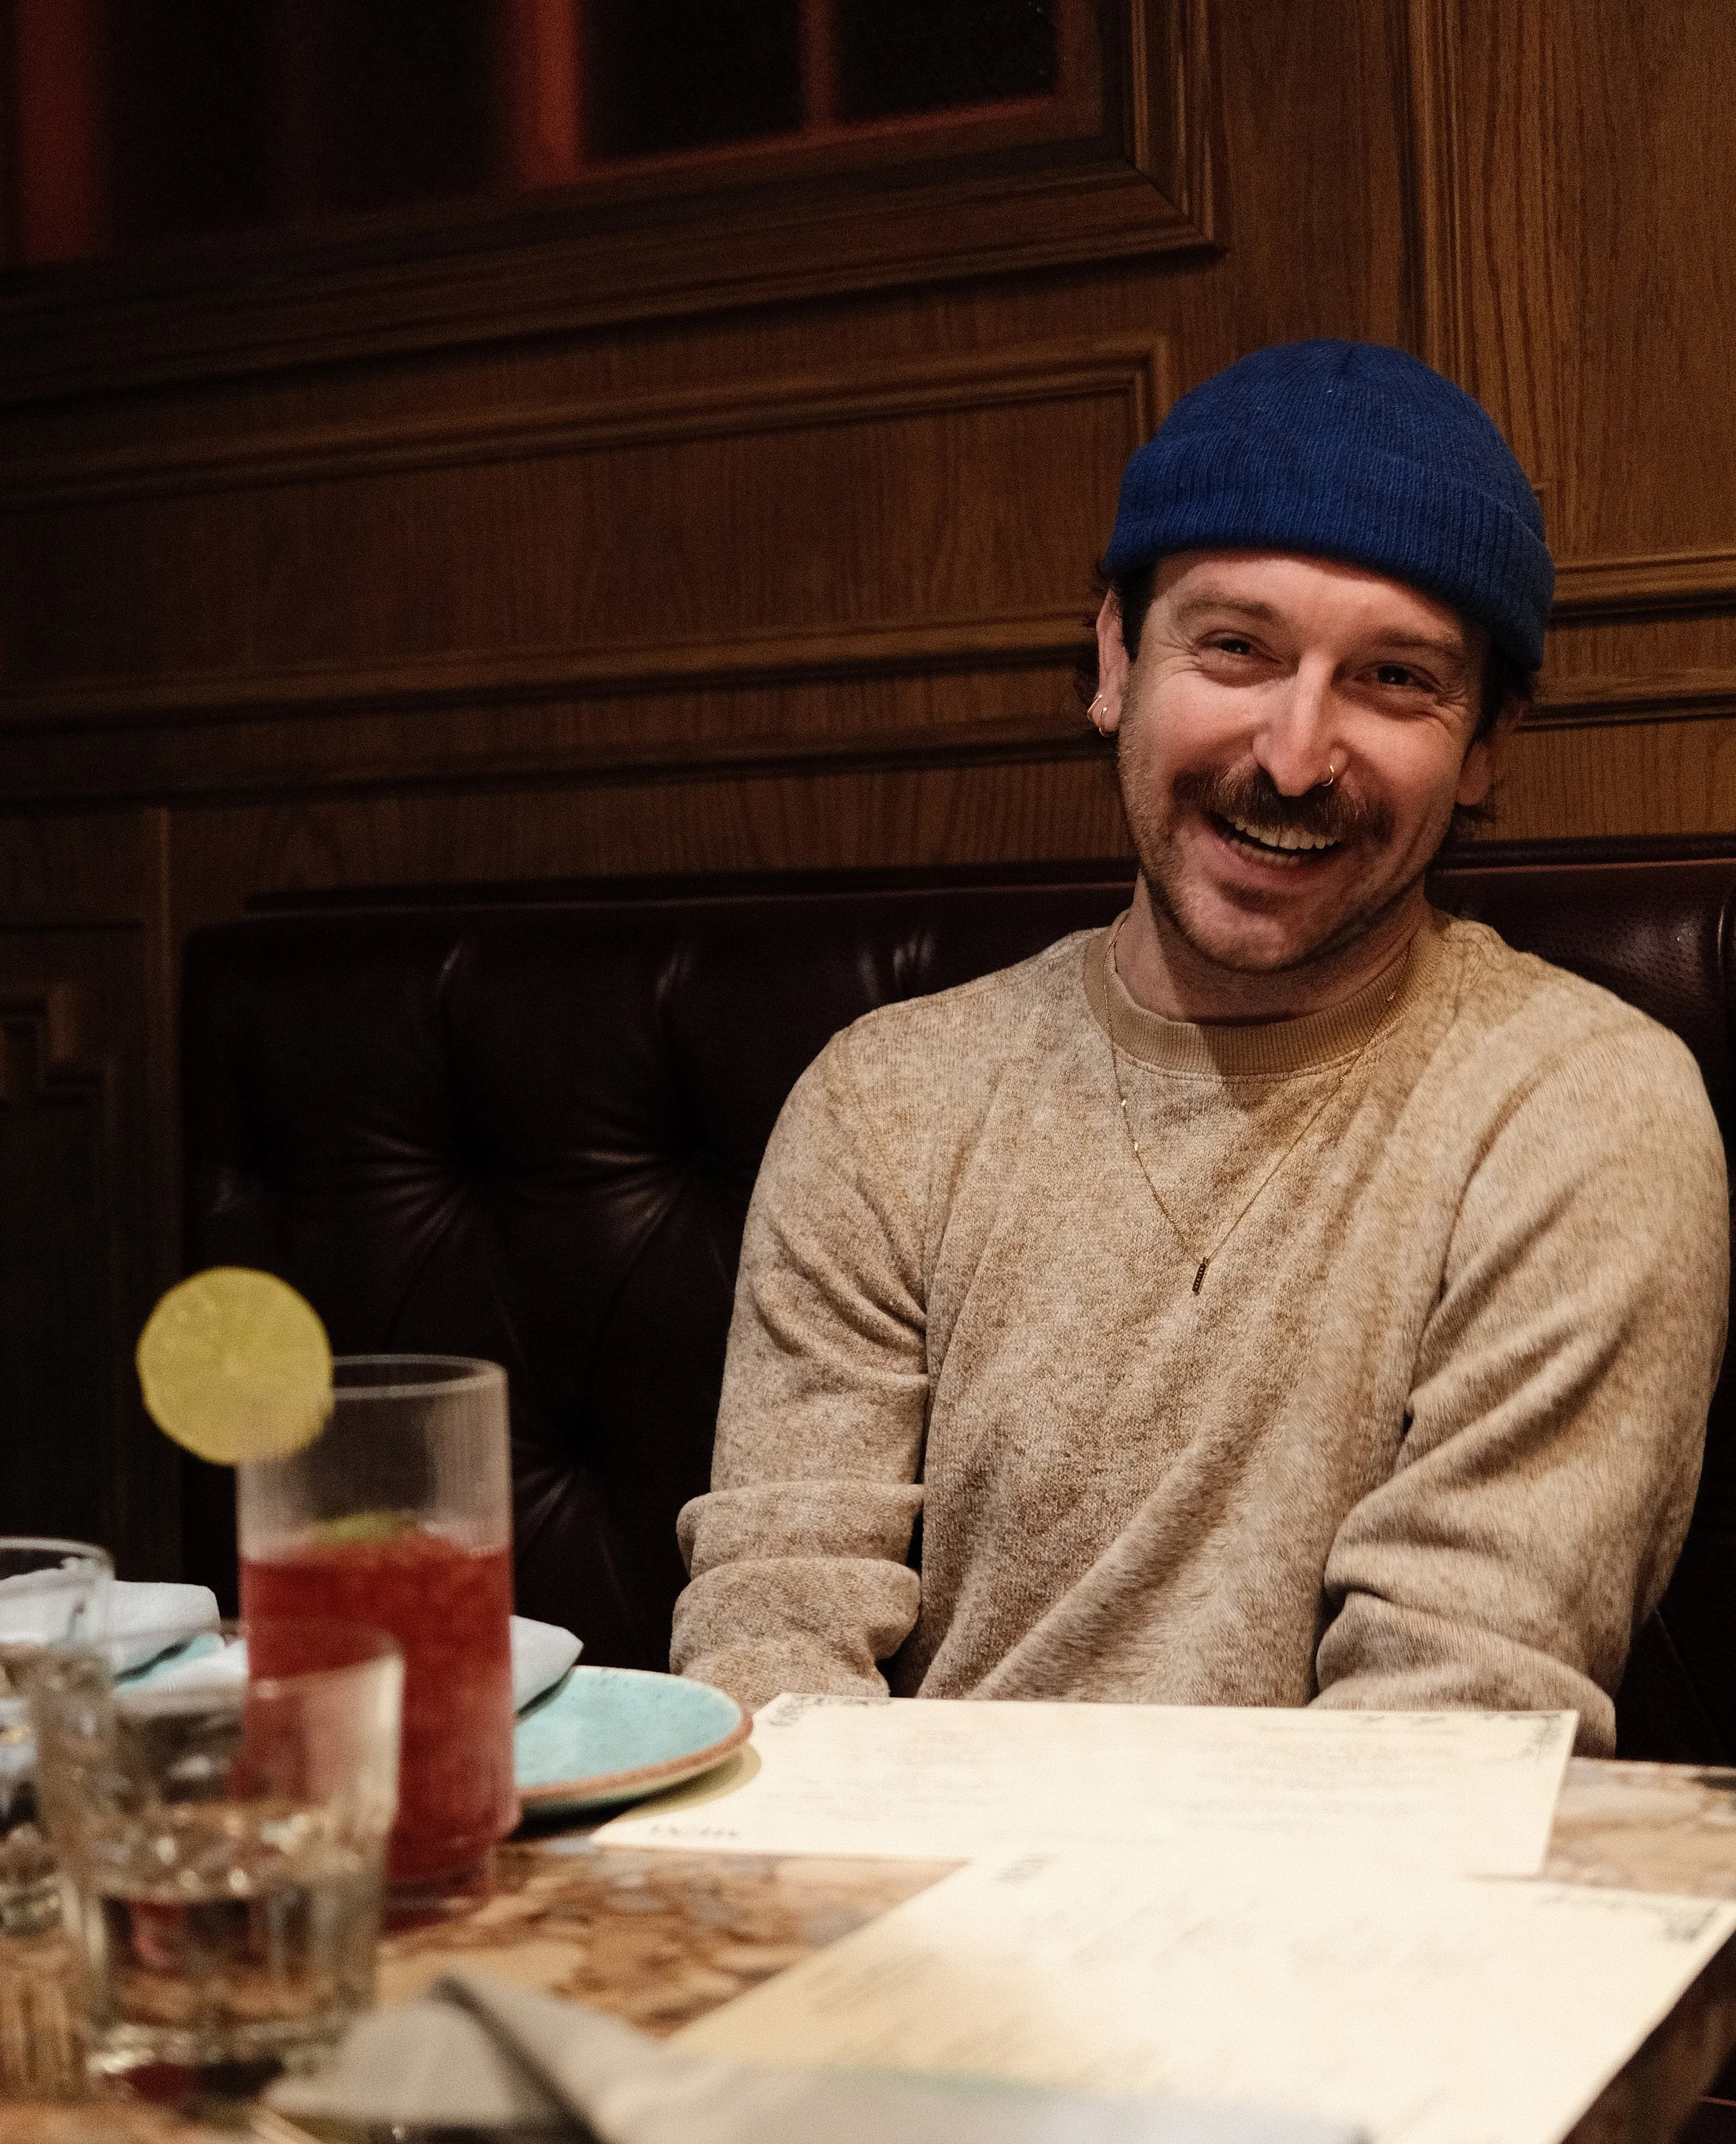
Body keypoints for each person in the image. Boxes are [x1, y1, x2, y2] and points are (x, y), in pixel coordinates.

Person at [668, 339, 1729, 1753]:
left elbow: (1447, 1730)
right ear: (1114, 655)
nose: (1292, 753)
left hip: (1356, 1950)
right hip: (903, 1931)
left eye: (1393, 677)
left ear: (1483, 745)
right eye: (1233, 647)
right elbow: (772, 1655)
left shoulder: (1577, 1108)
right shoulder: (885, 1102)